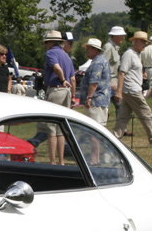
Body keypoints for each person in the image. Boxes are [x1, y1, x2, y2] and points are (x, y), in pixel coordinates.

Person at [114, 31, 152, 147]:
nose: (145, 44)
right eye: (144, 42)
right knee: (146, 112)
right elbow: (122, 73)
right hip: (132, 89)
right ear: (136, 41)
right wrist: (118, 92)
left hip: (131, 89)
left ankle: (114, 139)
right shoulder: (129, 54)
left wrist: (141, 75)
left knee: (123, 117)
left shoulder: (137, 54)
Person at [42, 30, 75, 164]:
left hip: (56, 88)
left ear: (52, 42)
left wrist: (62, 80)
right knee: (61, 128)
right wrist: (72, 95)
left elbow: (56, 68)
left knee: (51, 127)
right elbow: (73, 79)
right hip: (67, 91)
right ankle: (61, 161)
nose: (46, 45)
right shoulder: (67, 56)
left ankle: (52, 161)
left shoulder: (50, 53)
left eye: (47, 42)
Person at [80, 38, 112, 126]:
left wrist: (89, 97)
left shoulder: (97, 63)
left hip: (95, 102)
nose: (86, 51)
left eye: (88, 48)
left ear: (95, 49)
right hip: (100, 101)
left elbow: (94, 82)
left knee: (94, 127)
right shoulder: (102, 60)